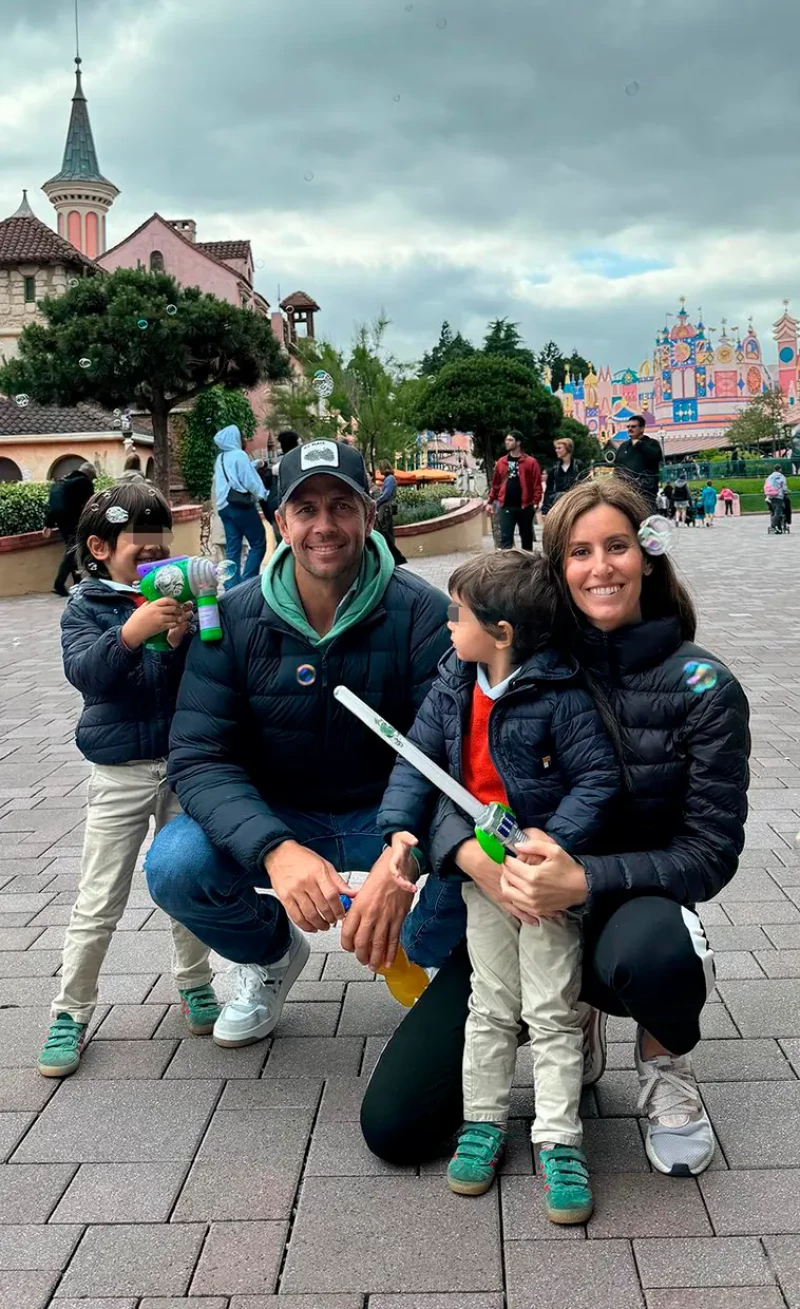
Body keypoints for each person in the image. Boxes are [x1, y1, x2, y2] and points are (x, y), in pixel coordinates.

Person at [360, 476, 749, 1181]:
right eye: (578, 551)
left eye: (618, 546)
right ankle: (574, 1019)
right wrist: (463, 857)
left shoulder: (704, 687)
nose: (600, 567)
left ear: (648, 555)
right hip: (511, 896)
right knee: (396, 1123)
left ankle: (664, 1059)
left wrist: (583, 875)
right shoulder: (500, 665)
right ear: (555, 569)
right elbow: (450, 777)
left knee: (659, 951)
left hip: (625, 908)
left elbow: (710, 851)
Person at [144, 440, 450, 1049]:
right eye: (305, 508)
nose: (324, 525)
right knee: (174, 865)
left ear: (369, 513)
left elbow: (448, 755)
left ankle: (432, 959)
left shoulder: (423, 614)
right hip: (280, 814)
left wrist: (406, 849)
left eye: (341, 505)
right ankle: (272, 956)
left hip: (389, 818)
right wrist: (275, 849)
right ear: (280, 522)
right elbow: (200, 757)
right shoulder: (229, 621)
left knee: (482, 866)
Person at [380, 550, 619, 1222]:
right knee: (489, 1001)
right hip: (481, 878)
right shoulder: (453, 682)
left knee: (549, 1005)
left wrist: (552, 842)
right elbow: (416, 762)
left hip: (540, 880)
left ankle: (559, 1134)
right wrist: (401, 830)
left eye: (459, 614)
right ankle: (483, 1119)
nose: (449, 624)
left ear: (503, 631)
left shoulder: (561, 694)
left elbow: (596, 779)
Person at [36, 481, 220, 1078]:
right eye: (140, 554)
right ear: (98, 547)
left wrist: (176, 640)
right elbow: (89, 677)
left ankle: (195, 981)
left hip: (178, 769)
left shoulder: (173, 600)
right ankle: (71, 1010)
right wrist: (131, 632)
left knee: (183, 881)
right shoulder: (84, 606)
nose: (153, 564)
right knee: (99, 895)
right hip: (118, 772)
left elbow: (184, 684)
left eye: (160, 553)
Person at [213, 424, 269, 588]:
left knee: (233, 548)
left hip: (224, 508)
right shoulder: (239, 455)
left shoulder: (221, 458)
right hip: (240, 506)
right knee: (258, 542)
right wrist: (263, 494)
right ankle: (248, 582)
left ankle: (231, 586)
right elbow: (248, 479)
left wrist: (256, 464)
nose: (242, 439)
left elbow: (233, 475)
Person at [43, 462, 96, 596]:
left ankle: (77, 582)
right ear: (89, 475)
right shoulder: (84, 483)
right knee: (72, 552)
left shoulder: (62, 481)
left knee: (72, 550)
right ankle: (59, 584)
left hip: (61, 522)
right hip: (75, 521)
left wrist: (48, 524)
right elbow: (91, 504)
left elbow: (53, 506)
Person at [488, 431, 542, 550]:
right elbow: (496, 483)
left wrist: (536, 501)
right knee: (505, 539)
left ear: (518, 442)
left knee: (526, 538)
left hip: (525, 506)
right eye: (506, 440)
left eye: (510, 440)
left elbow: (536, 484)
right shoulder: (502, 462)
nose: (507, 442)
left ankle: (527, 565)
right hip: (506, 506)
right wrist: (490, 502)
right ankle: (507, 566)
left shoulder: (530, 462)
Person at [614, 416, 662, 512]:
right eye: (628, 427)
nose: (630, 429)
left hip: (645, 492)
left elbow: (656, 457)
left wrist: (640, 445)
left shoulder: (651, 443)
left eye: (633, 426)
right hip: (626, 493)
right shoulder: (623, 447)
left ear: (642, 428)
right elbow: (617, 466)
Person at [264, 430, 301, 546]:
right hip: (292, 508)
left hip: (274, 507)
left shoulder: (274, 464)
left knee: (282, 544)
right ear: (296, 444)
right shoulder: (299, 463)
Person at [373, 459, 406, 566]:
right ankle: (392, 558)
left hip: (386, 509)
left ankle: (393, 558)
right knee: (386, 534)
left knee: (384, 533)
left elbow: (386, 495)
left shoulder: (389, 479)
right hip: (386, 509)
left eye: (380, 468)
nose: (379, 470)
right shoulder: (389, 479)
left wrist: (375, 502)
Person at [541, 437, 582, 515]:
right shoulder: (554, 468)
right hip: (558, 506)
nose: (556, 450)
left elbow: (584, 485)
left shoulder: (578, 465)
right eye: (556, 448)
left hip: (574, 505)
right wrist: (545, 510)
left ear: (568, 448)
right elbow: (549, 490)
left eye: (559, 448)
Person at [764, 465, 789, 534]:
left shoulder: (769, 477)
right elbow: (784, 487)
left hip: (769, 496)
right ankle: (774, 525)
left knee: (773, 511)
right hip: (778, 496)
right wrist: (786, 491)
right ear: (780, 469)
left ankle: (776, 526)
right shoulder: (781, 477)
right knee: (778, 512)